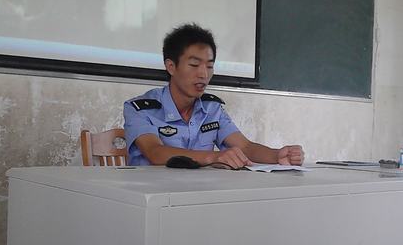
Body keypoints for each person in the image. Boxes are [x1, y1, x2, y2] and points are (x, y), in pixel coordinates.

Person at [123, 23, 305, 168]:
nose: (203, 74)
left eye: (209, 66)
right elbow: (155, 152)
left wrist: (277, 155)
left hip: (197, 194)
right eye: (194, 65)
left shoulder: (212, 108)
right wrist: (214, 157)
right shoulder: (140, 109)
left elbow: (245, 146)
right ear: (171, 66)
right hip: (153, 197)